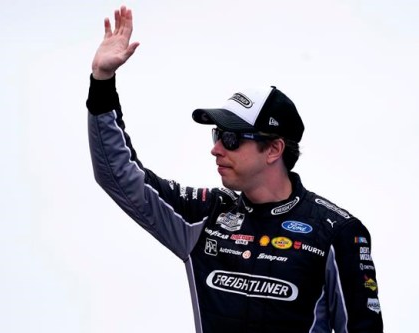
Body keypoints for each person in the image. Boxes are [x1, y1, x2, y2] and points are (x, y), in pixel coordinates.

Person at [87, 6, 384, 333]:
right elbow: (119, 175)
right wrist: (102, 82)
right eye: (217, 135)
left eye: (230, 138)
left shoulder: (338, 232)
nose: (216, 148)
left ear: (273, 149)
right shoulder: (206, 214)